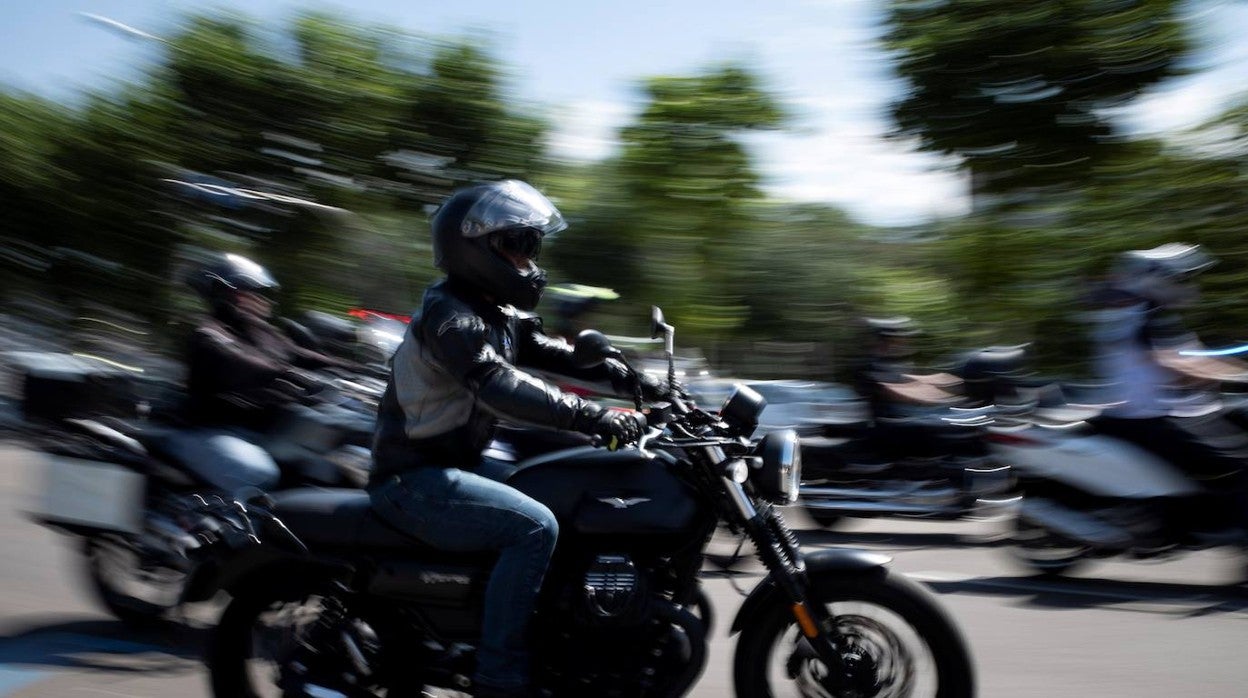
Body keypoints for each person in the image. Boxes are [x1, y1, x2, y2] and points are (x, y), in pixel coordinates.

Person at [368, 179, 660, 698]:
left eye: (531, 246)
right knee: (534, 527)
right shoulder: (450, 315)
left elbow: (559, 354)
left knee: (573, 498)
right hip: (413, 479)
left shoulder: (498, 313)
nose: (528, 260)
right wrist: (592, 416)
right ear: (472, 247)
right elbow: (498, 384)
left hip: (458, 467)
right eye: (515, 246)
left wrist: (636, 379)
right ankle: (499, 677)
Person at [1085, 242, 1248, 534]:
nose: (1186, 285)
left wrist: (1239, 373)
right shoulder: (1139, 317)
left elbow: (1201, 360)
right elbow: (1174, 365)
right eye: (1180, 279)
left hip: (1169, 413)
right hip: (1146, 420)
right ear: (1155, 279)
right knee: (1239, 458)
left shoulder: (1155, 315)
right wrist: (1229, 377)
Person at [170, 252, 359, 491]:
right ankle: (222, 525)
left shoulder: (260, 330)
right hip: (214, 429)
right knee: (257, 474)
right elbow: (238, 362)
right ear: (226, 295)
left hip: (261, 427)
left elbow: (298, 354)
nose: (263, 301)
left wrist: (354, 369)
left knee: (319, 463)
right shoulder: (209, 333)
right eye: (251, 293)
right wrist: (288, 374)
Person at [851, 316, 963, 460]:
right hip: (884, 422)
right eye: (898, 338)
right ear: (885, 339)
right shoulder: (869, 365)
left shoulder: (890, 360)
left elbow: (914, 380)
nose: (903, 342)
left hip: (901, 415)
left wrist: (947, 382)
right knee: (936, 427)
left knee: (952, 420)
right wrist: (937, 400)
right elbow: (894, 391)